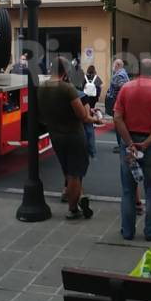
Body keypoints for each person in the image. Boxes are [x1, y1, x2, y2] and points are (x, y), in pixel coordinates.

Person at [114, 57, 151, 241]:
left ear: (138, 71)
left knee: (128, 190)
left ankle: (128, 231)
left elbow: (117, 118)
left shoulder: (126, 89)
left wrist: (130, 142)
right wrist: (146, 143)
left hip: (129, 145)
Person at [38, 57, 97, 220]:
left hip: (55, 135)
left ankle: (77, 198)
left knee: (67, 171)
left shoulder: (42, 87)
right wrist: (94, 118)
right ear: (65, 71)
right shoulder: (67, 88)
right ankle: (73, 209)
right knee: (75, 174)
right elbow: (82, 115)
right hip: (73, 135)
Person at [81, 65, 104, 159]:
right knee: (90, 113)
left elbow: (81, 86)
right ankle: (91, 119)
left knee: (86, 116)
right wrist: (97, 96)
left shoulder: (84, 77)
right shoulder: (96, 77)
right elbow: (100, 86)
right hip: (93, 99)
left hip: (84, 98)